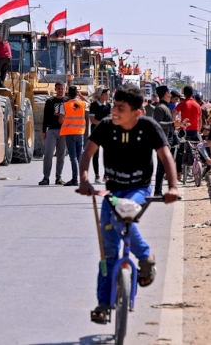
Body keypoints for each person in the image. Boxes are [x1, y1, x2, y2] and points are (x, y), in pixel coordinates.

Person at [77, 84, 180, 325]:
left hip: (137, 189)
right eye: (113, 105)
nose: (114, 111)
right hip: (112, 189)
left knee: (121, 214)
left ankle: (145, 256)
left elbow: (166, 156)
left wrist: (173, 187)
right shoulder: (105, 127)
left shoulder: (148, 127)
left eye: (120, 108)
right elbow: (87, 154)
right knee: (108, 253)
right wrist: (84, 180)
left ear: (137, 112)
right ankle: (103, 303)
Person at [39, 81, 68, 185]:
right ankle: (46, 177)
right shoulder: (50, 101)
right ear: (55, 89)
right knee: (48, 154)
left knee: (61, 155)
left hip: (64, 131)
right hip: (51, 130)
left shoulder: (68, 101)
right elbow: (45, 117)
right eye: (58, 89)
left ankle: (58, 177)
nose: (60, 90)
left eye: (62, 88)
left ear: (65, 89)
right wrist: (43, 130)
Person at [59, 86, 87, 186]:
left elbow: (60, 120)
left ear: (68, 94)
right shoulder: (82, 104)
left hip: (70, 133)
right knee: (80, 157)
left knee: (73, 157)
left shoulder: (65, 105)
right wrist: (80, 95)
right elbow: (89, 103)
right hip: (80, 133)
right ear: (76, 93)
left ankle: (75, 179)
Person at [152, 85, 176, 194]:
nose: (170, 94)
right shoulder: (160, 108)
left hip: (168, 141)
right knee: (162, 167)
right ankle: (158, 191)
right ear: (166, 93)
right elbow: (157, 124)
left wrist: (178, 125)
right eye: (169, 92)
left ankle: (162, 191)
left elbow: (170, 125)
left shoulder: (166, 107)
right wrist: (173, 124)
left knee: (166, 167)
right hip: (162, 142)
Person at [89, 86, 111, 184]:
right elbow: (92, 120)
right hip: (96, 131)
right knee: (95, 154)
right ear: (100, 94)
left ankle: (106, 175)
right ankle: (97, 174)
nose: (107, 96)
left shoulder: (108, 105)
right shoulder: (94, 105)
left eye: (108, 94)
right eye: (106, 94)